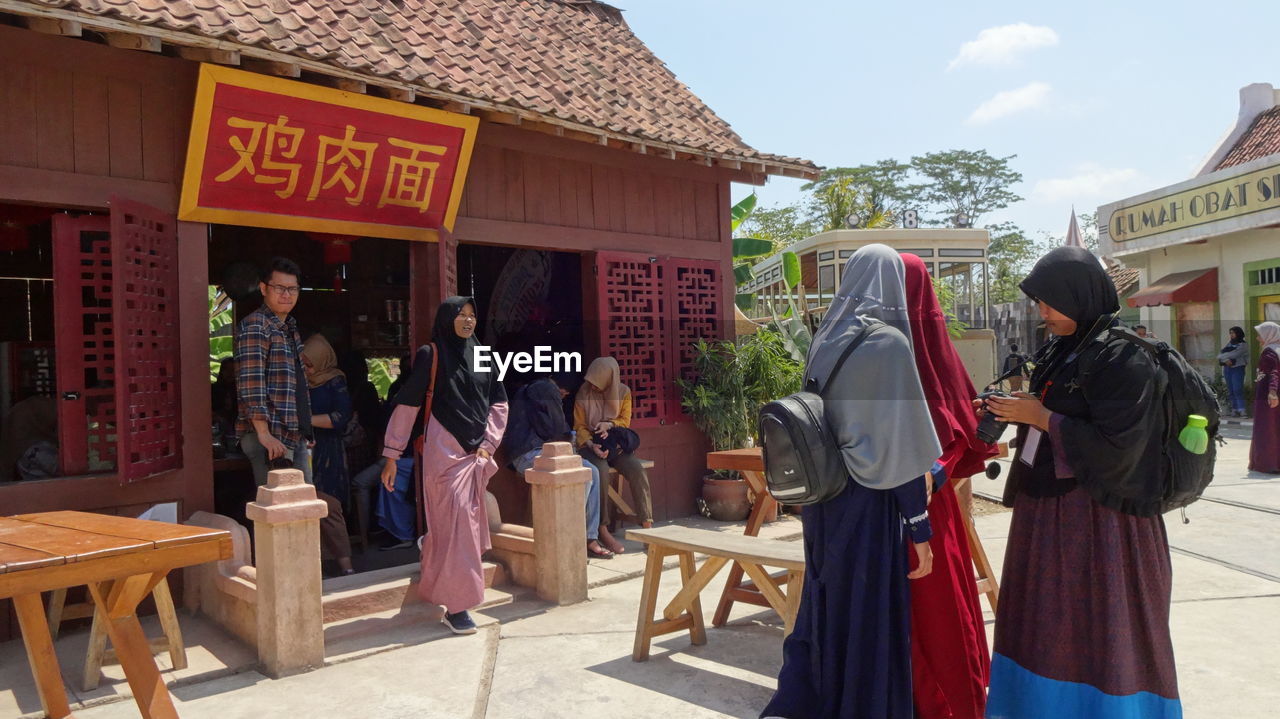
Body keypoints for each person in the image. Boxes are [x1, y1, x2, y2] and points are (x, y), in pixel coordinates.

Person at [982, 246, 1181, 718]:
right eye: (1039, 301)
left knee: (1107, 631)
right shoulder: (1062, 349)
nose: (1042, 311)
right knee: (1043, 627)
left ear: (1080, 295)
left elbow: (1124, 447)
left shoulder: (1124, 357)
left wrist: (1043, 417)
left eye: (1050, 301)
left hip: (1106, 526)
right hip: (1049, 519)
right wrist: (1013, 412)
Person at [762, 244, 939, 719]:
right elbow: (900, 449)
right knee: (868, 613)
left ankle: (808, 700)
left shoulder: (827, 335)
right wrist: (920, 530)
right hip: (868, 501)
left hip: (824, 497)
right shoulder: (888, 344)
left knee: (826, 604)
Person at [901, 252, 996, 719]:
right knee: (936, 614)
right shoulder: (911, 348)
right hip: (923, 506)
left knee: (930, 610)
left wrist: (933, 472)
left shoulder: (904, 350)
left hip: (918, 509)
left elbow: (959, 429)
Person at [380, 297, 508, 635]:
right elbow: (407, 404)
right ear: (446, 319)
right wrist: (392, 455)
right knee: (459, 525)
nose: (467, 321)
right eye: (460, 315)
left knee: (460, 526)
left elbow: (498, 401)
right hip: (444, 452)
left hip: (476, 453)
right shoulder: (431, 354)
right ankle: (457, 606)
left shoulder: (483, 355)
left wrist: (488, 445)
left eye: (471, 315)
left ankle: (433, 548)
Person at [235, 257, 353, 576]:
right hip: (271, 437)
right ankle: (280, 583)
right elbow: (251, 382)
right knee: (280, 514)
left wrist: (303, 432)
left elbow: (296, 386)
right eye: (279, 288)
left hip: (293, 435)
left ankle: (302, 579)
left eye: (293, 289)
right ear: (264, 289)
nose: (286, 295)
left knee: (301, 513)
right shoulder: (256, 325)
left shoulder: (289, 328)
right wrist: (263, 433)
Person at [507, 375, 612, 559]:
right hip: (530, 454)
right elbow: (555, 429)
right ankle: (570, 539)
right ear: (563, 390)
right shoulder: (545, 390)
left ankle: (588, 537)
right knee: (581, 475)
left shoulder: (535, 388)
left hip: (539, 453)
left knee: (591, 472)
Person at [574, 357, 650, 555]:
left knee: (636, 469)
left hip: (615, 444)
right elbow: (579, 426)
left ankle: (647, 524)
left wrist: (609, 424)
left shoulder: (623, 392)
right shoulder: (583, 392)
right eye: (591, 382)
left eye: (598, 384)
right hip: (591, 445)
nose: (593, 387)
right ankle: (602, 529)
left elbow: (625, 421)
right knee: (600, 471)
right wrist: (591, 443)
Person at [301, 334, 353, 506]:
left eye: (310, 365)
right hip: (307, 444)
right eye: (304, 365)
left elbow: (341, 417)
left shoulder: (335, 381)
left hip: (328, 446)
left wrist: (305, 420)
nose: (307, 370)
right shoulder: (302, 381)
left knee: (328, 495)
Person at [1250, 321, 1280, 473]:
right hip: (1273, 396)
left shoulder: (1269, 352)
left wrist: (1272, 392)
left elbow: (1274, 373)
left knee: (1267, 429)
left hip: (1267, 399)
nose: (1257, 338)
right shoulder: (1277, 350)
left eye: (1260, 335)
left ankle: (1267, 463)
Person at [1218, 326, 1249, 418]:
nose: (1231, 335)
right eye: (1230, 333)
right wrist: (1225, 360)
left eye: (1233, 333)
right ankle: (1234, 410)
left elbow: (1237, 355)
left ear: (1238, 333)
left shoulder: (1243, 345)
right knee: (1231, 390)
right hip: (1228, 368)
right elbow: (1221, 354)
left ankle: (1242, 410)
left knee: (1237, 389)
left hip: (1238, 368)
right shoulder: (1229, 344)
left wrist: (1227, 358)